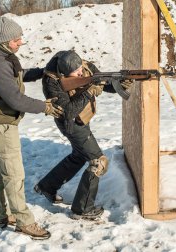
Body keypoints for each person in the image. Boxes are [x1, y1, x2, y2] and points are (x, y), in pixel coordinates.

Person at [0, 16, 63, 240]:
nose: (20, 42)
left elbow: (17, 76)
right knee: (14, 175)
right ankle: (25, 222)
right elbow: (15, 99)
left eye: (20, 37)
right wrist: (44, 107)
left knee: (1, 173)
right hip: (0, 123)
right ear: (5, 41)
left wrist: (40, 72)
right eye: (16, 39)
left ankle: (1, 215)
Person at [34, 50, 133, 220]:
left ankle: (47, 186)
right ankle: (83, 208)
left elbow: (101, 84)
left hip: (83, 118)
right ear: (64, 73)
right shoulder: (52, 82)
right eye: (76, 72)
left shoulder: (84, 66)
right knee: (98, 162)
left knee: (79, 155)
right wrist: (89, 92)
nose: (81, 72)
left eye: (81, 68)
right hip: (71, 123)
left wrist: (120, 85)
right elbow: (68, 112)